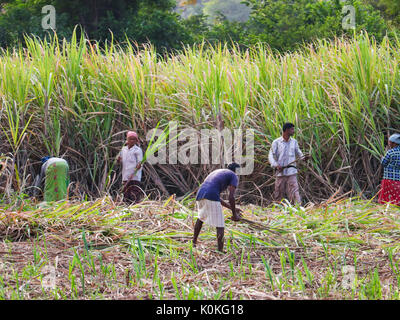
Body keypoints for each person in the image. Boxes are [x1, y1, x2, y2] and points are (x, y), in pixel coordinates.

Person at [193, 163, 241, 252]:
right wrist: (234, 215)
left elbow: (216, 197)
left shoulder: (219, 172)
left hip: (200, 193)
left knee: (201, 218)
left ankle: (194, 242)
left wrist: (232, 208)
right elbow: (231, 197)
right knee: (220, 225)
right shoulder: (234, 175)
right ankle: (220, 250)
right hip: (210, 195)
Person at [268, 122, 307, 204]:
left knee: (294, 191)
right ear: (286, 130)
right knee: (279, 192)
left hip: (291, 172)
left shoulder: (294, 142)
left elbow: (298, 152)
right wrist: (276, 165)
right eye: (292, 129)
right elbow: (271, 155)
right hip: (280, 172)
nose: (294, 131)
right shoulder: (276, 142)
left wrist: (303, 158)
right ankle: (278, 209)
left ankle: (297, 208)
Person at [117, 131, 144, 204]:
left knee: (134, 192)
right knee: (126, 192)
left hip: (134, 176)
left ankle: (135, 206)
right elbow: (120, 161)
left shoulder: (137, 150)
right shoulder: (123, 149)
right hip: (126, 175)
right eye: (130, 139)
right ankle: (126, 206)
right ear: (127, 139)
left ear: (136, 140)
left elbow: (140, 162)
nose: (132, 141)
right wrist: (118, 160)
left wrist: (138, 166)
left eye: (134, 139)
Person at [378, 133, 400, 206]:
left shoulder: (390, 152)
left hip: (389, 178)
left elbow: (384, 163)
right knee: (397, 194)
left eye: (390, 142)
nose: (389, 144)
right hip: (398, 179)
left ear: (394, 143)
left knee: (388, 195)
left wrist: (381, 158)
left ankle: (387, 207)